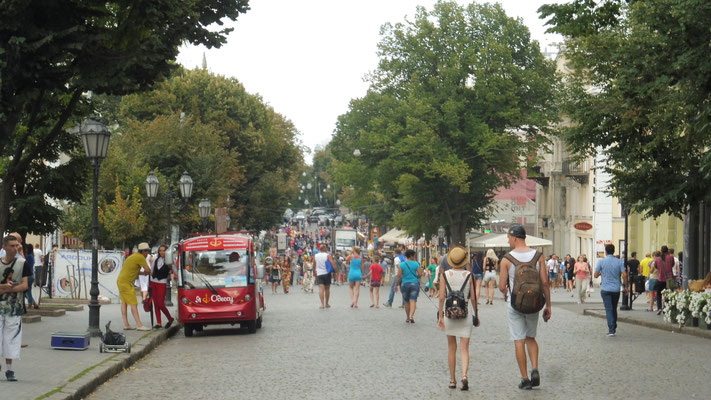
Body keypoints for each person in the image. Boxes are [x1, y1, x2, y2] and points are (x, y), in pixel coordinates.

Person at [498, 225, 551, 390]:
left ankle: (525, 378)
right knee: (531, 338)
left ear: (514, 238)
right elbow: (544, 283)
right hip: (534, 303)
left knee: (518, 340)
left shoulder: (507, 259)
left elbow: (501, 286)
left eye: (508, 238)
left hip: (515, 304)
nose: (508, 241)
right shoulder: (538, 256)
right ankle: (535, 368)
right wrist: (548, 305)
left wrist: (506, 291)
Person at [437, 246, 477, 391]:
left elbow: (442, 297)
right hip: (465, 313)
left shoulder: (445, 275)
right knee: (464, 348)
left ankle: (452, 380)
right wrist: (476, 315)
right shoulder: (469, 275)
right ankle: (464, 376)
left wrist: (440, 316)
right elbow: (473, 298)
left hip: (449, 314)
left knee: (451, 348)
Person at [0, 235, 31, 381]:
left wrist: (7, 290)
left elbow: (25, 285)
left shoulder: (22, 263)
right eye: (12, 246)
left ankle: (9, 370)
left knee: (11, 338)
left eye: (16, 246)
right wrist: (4, 287)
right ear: (4, 247)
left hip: (14, 308)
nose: (15, 248)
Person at [116, 243, 152, 331]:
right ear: (143, 251)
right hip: (126, 283)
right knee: (133, 303)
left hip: (121, 281)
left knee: (124, 302)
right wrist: (148, 272)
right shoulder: (140, 257)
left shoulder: (133, 256)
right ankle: (139, 325)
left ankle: (126, 324)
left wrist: (143, 273)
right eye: (147, 251)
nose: (148, 253)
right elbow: (148, 270)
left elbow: (132, 270)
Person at [594, 243, 627, 336]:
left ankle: (611, 329)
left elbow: (595, 275)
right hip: (616, 289)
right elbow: (624, 274)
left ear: (605, 251)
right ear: (614, 251)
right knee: (614, 308)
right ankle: (614, 325)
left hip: (605, 288)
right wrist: (627, 286)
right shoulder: (619, 261)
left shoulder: (601, 262)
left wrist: (601, 273)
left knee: (608, 309)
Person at [149, 245, 174, 329]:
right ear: (158, 252)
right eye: (160, 250)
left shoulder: (169, 261)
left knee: (160, 304)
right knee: (155, 303)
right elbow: (151, 271)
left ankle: (170, 319)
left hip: (162, 283)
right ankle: (159, 323)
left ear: (166, 251)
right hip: (153, 282)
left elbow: (174, 269)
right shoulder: (156, 260)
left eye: (164, 250)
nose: (162, 252)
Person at [395, 249, 422, 323]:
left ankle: (407, 317)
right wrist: (416, 277)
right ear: (411, 256)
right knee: (413, 301)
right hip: (414, 284)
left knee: (406, 301)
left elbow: (399, 275)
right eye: (414, 255)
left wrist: (396, 285)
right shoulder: (416, 264)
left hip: (405, 284)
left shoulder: (402, 264)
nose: (414, 257)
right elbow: (420, 274)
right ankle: (411, 316)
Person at [314, 244, 338, 309]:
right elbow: (333, 263)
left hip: (319, 273)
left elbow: (314, 264)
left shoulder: (316, 256)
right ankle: (327, 303)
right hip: (327, 273)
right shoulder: (327, 255)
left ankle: (322, 304)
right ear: (324, 249)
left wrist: (314, 272)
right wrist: (336, 271)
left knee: (321, 289)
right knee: (327, 289)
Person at [654, 246, 674, 315]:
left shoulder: (657, 259)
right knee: (667, 294)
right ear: (667, 250)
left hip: (660, 278)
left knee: (659, 294)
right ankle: (666, 308)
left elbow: (655, 266)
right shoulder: (671, 257)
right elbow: (672, 265)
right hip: (669, 279)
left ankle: (659, 308)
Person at [24, 243, 39, 310]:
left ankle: (32, 303)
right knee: (27, 290)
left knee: (26, 291)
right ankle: (32, 303)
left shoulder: (28, 256)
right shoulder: (31, 255)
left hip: (28, 275)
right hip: (31, 275)